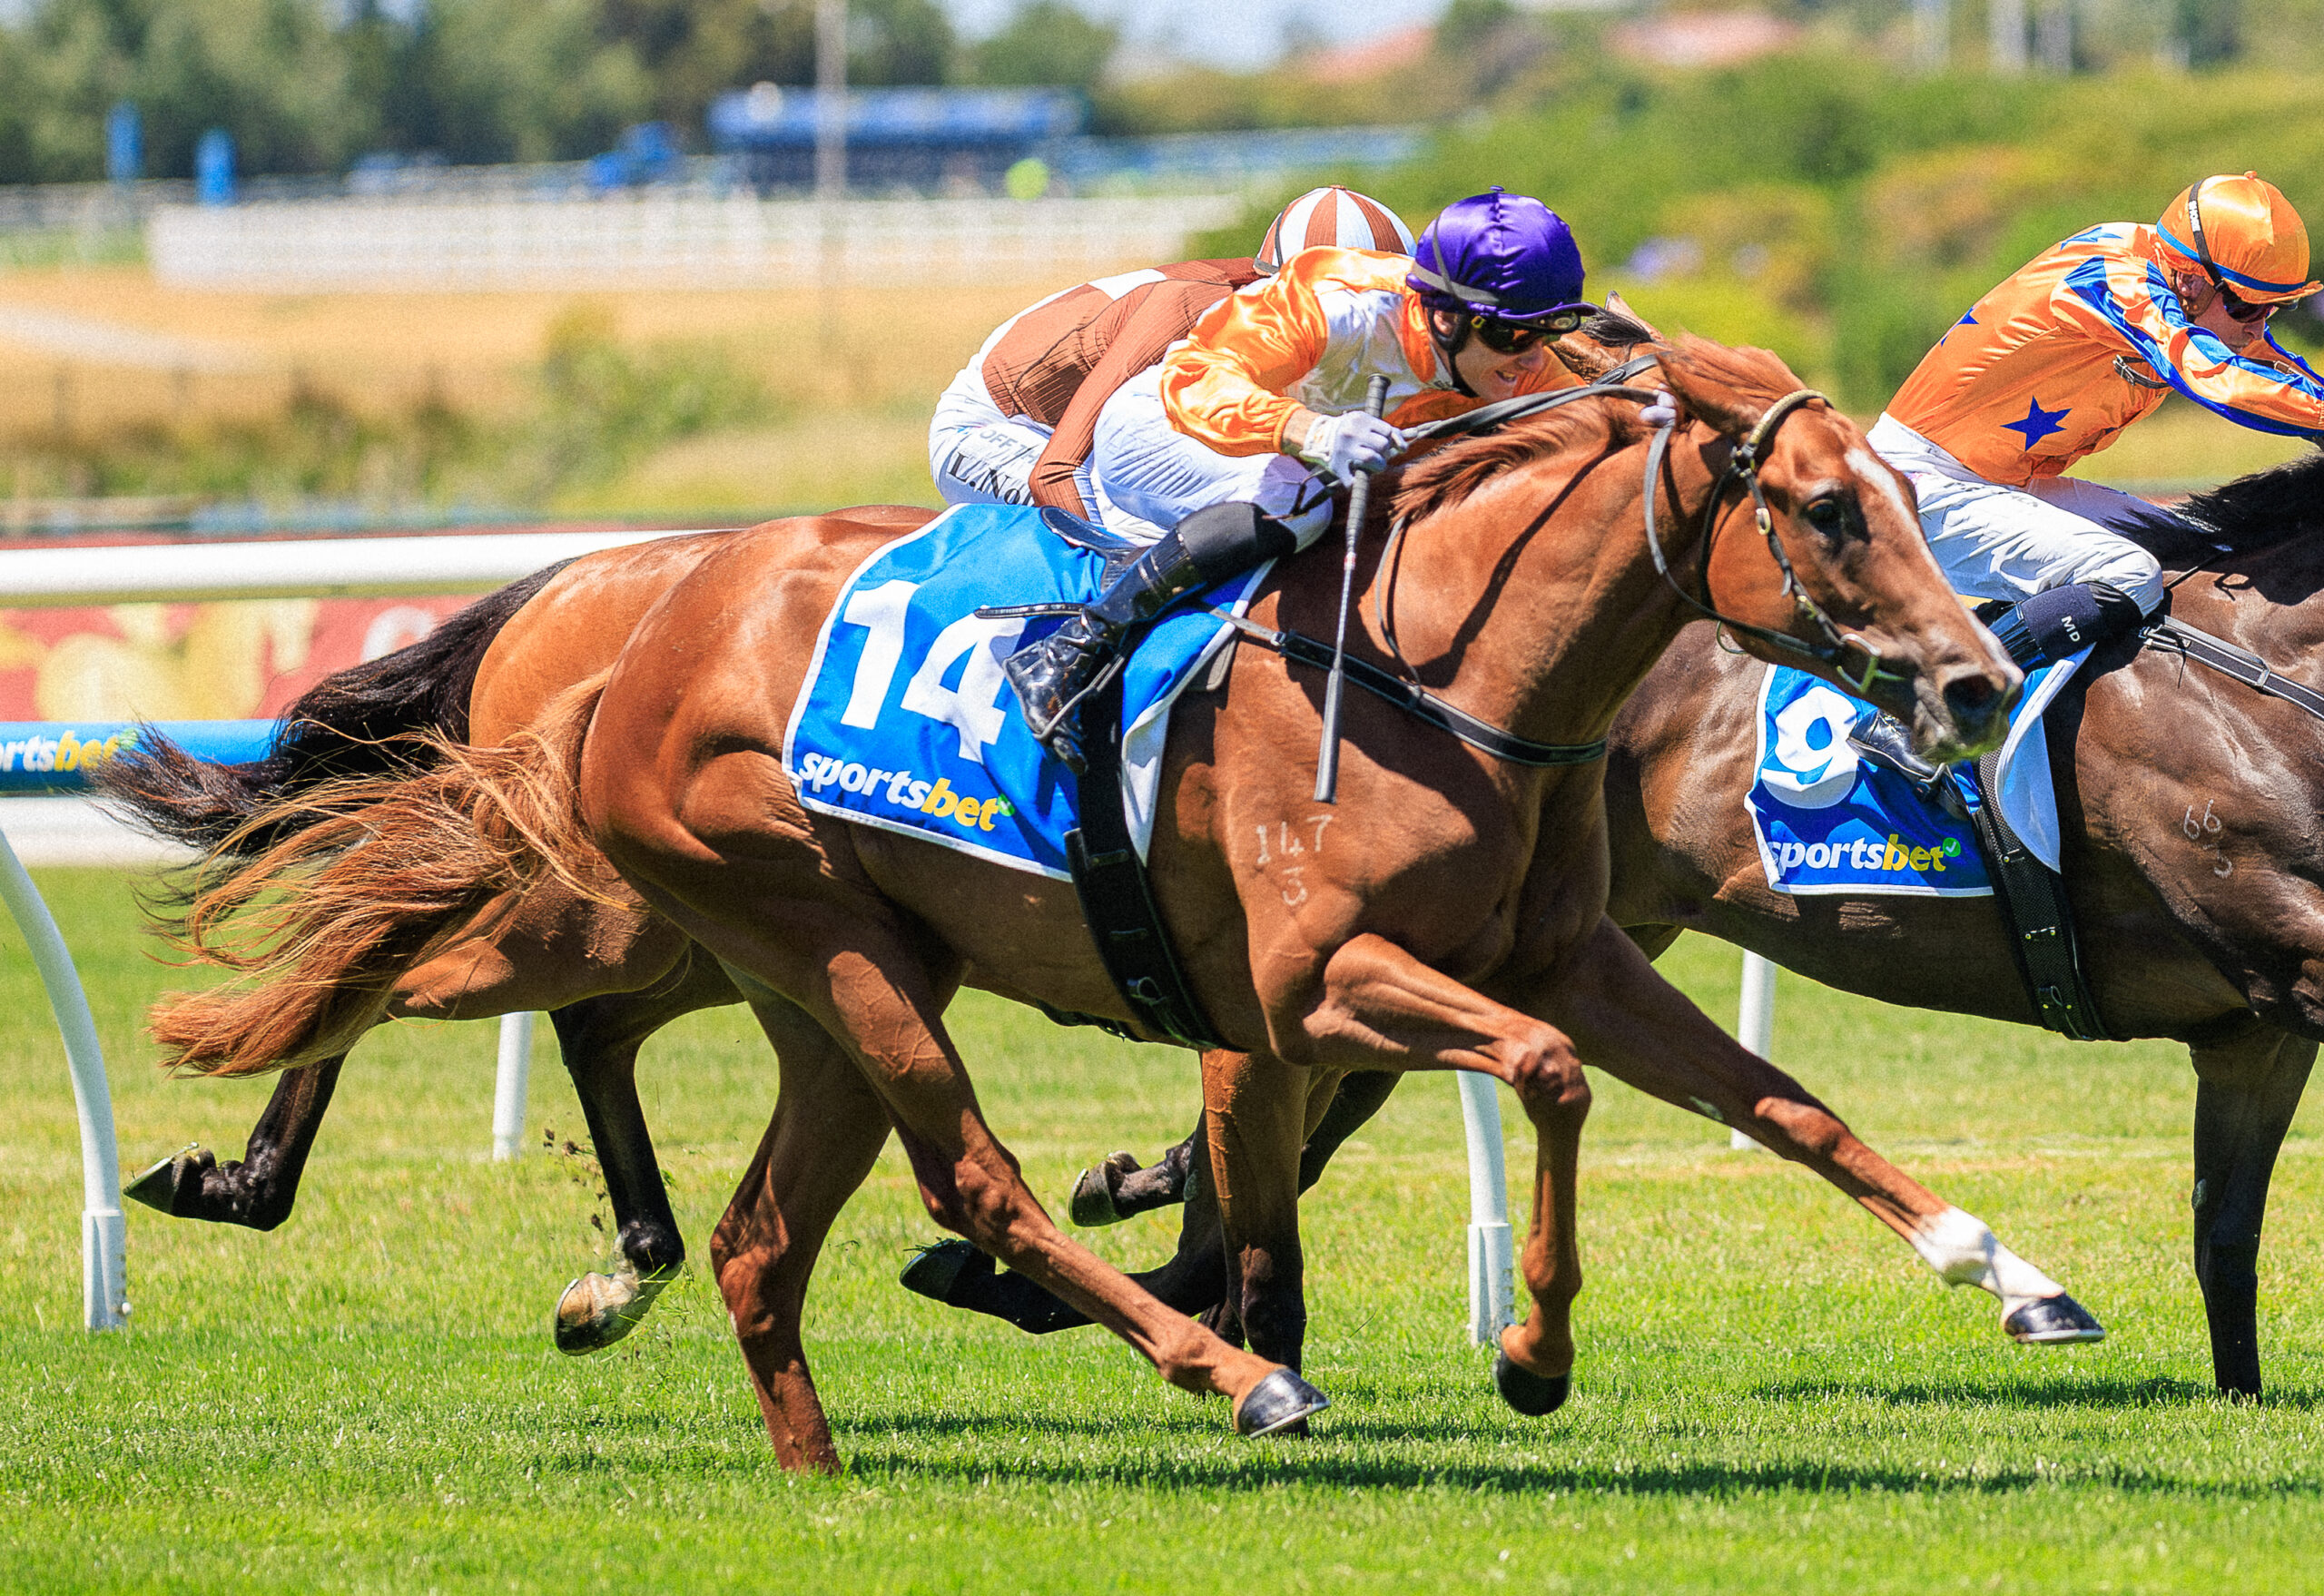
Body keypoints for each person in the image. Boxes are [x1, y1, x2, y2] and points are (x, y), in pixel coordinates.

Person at [1006, 186, 1598, 769]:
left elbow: (1588, 427)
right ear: (1444, 317)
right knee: (1304, 501)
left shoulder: (1510, 353)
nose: (1532, 357)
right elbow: (1196, 380)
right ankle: (1074, 647)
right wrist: (1313, 432)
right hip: (1162, 430)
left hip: (1274, 463)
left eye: (1548, 332)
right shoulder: (1341, 306)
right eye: (1513, 336)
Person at [1869, 172, 2324, 681]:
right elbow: (2216, 377)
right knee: (2129, 575)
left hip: (1999, 483)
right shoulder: (2111, 276)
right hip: (1912, 485)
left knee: (2205, 550)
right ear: (2192, 281)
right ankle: (1931, 693)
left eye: (2274, 308)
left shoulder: (2186, 294)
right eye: (2246, 305)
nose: (2258, 325)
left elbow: (2271, 366)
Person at [927, 185, 1416, 523]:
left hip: (1085, 439)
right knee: (1144, 526)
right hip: (992, 431)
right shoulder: (1186, 312)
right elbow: (1056, 472)